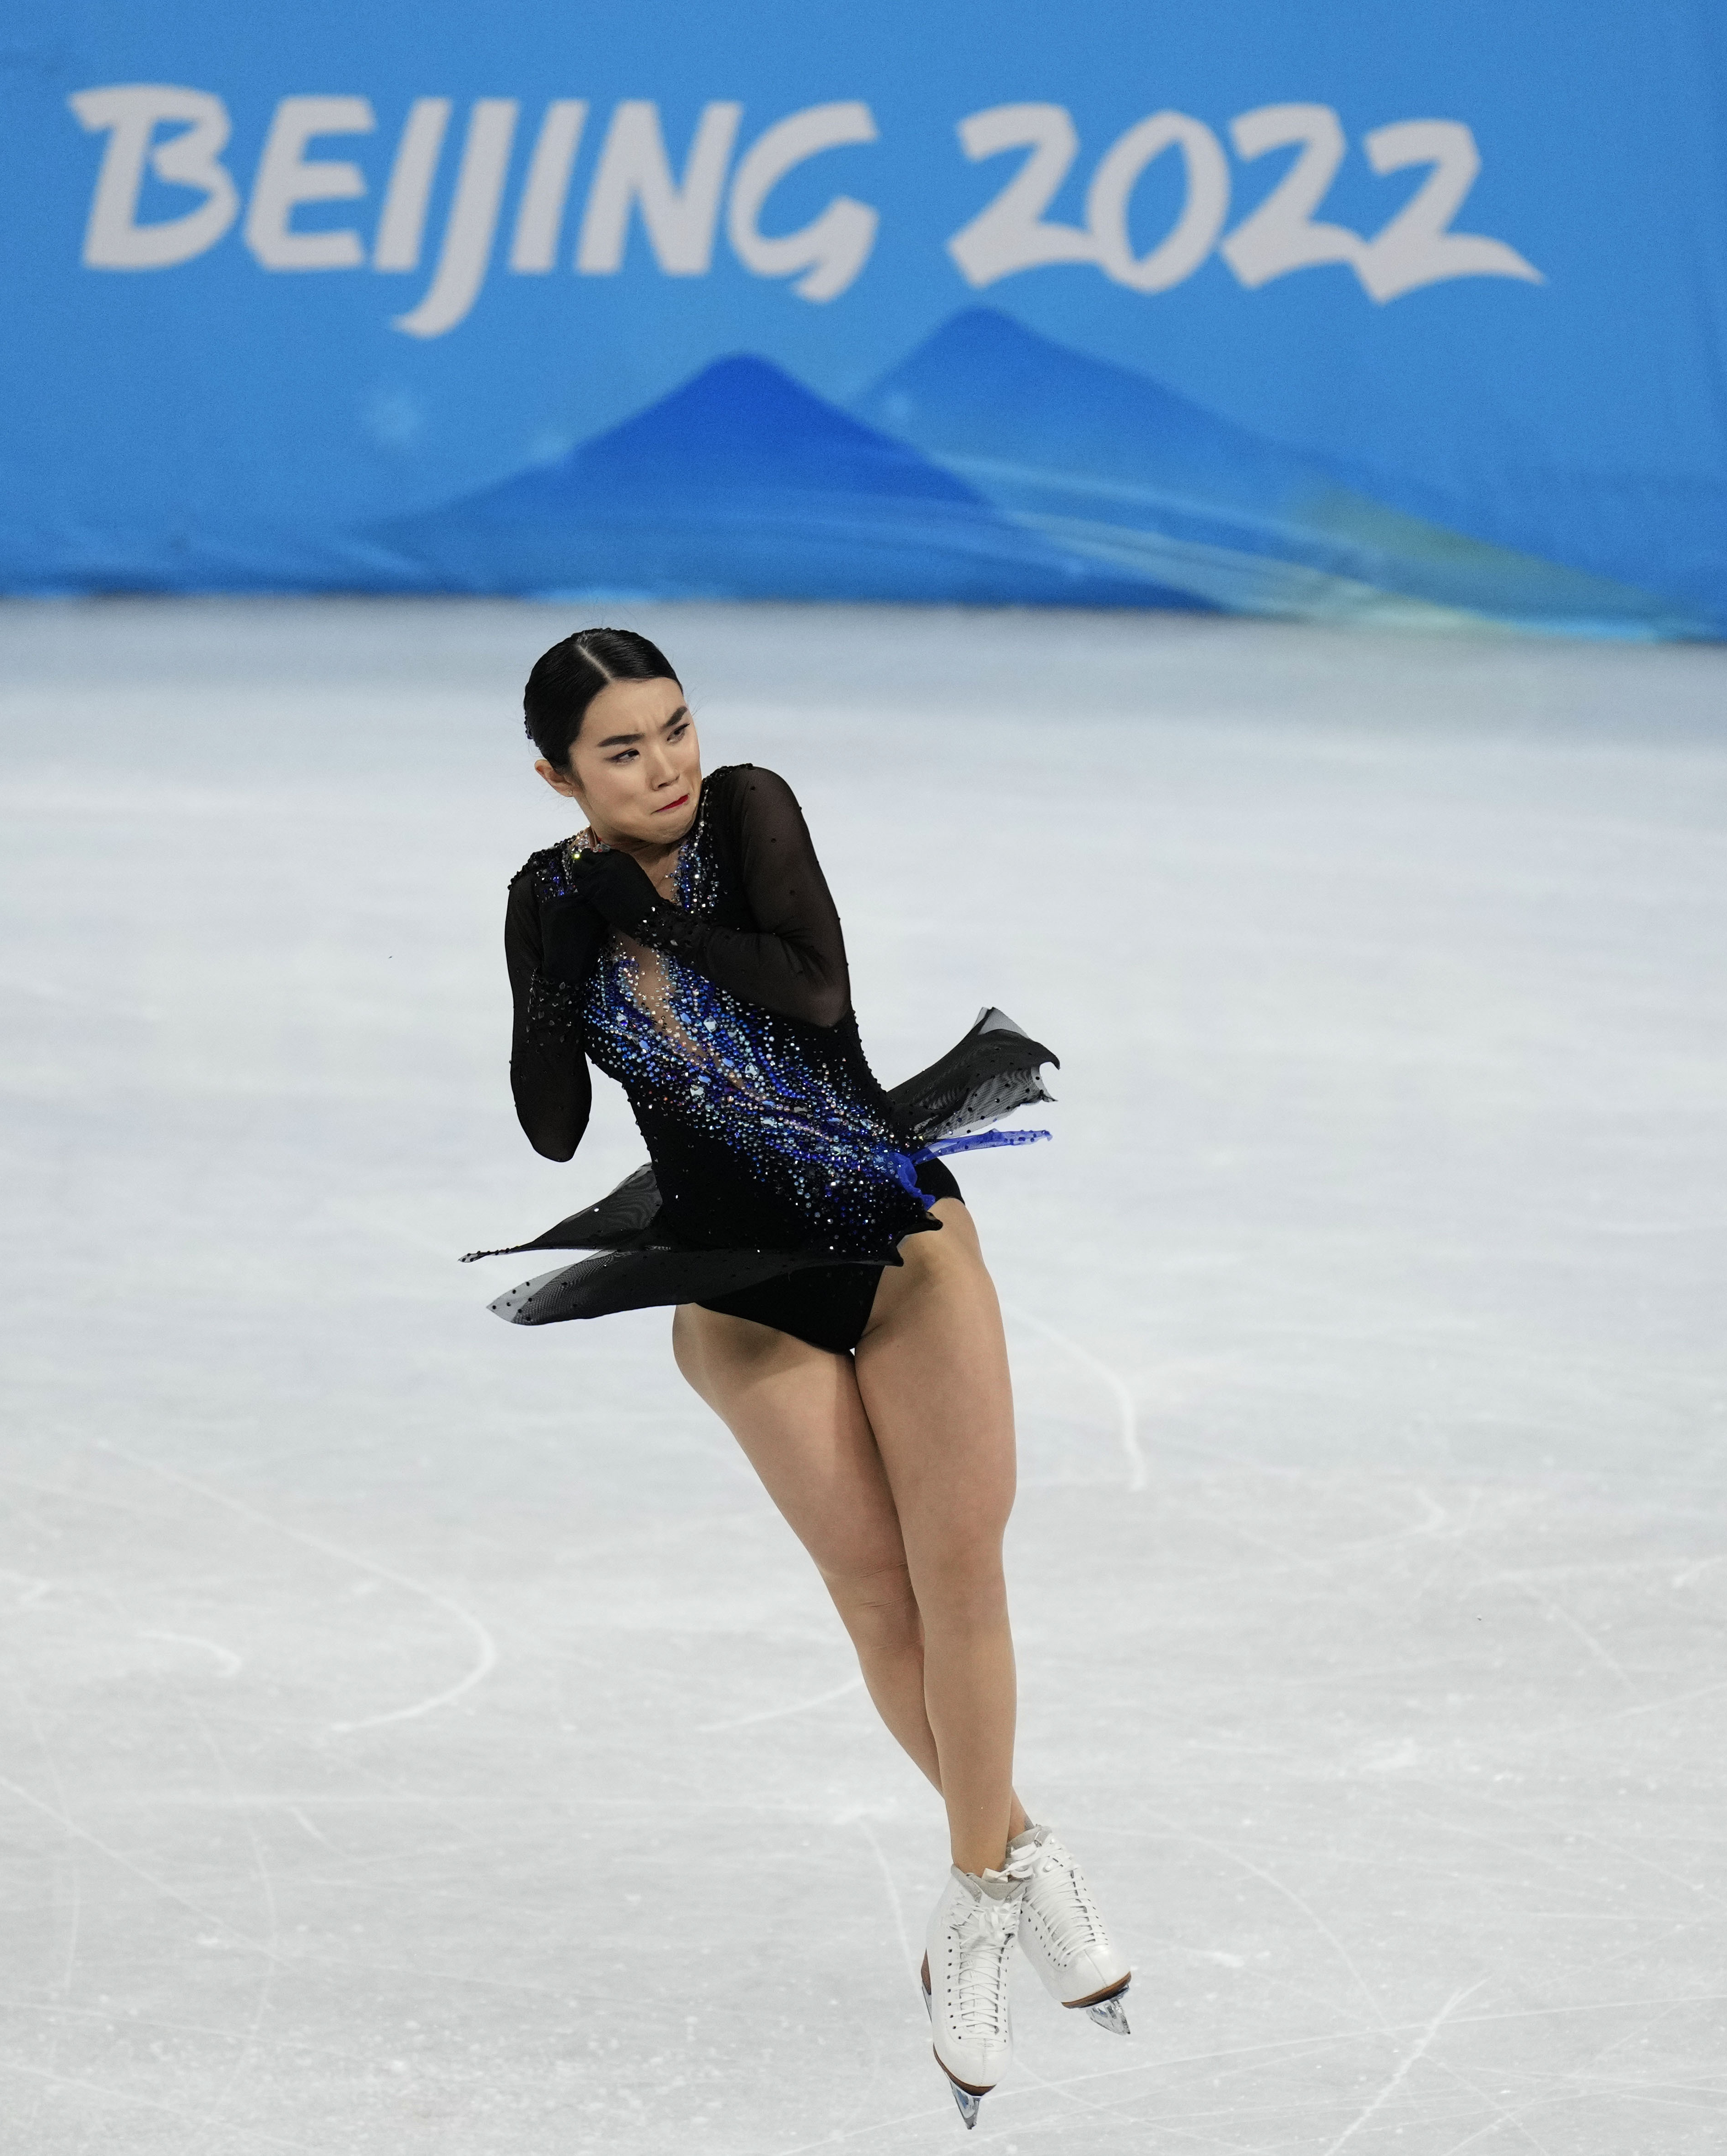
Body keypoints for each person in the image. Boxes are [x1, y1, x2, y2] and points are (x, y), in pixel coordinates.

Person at [471, 627, 1129, 2129]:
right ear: (557, 774)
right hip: (736, 1289)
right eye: (623, 750)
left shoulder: (754, 809)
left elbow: (816, 996)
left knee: (960, 1575)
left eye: (675, 727)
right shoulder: (546, 894)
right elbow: (554, 1127)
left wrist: (645, 925)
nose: (667, 765)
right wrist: (550, 969)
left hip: (891, 1236)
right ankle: (1023, 1849)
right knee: (878, 1598)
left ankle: (972, 1909)